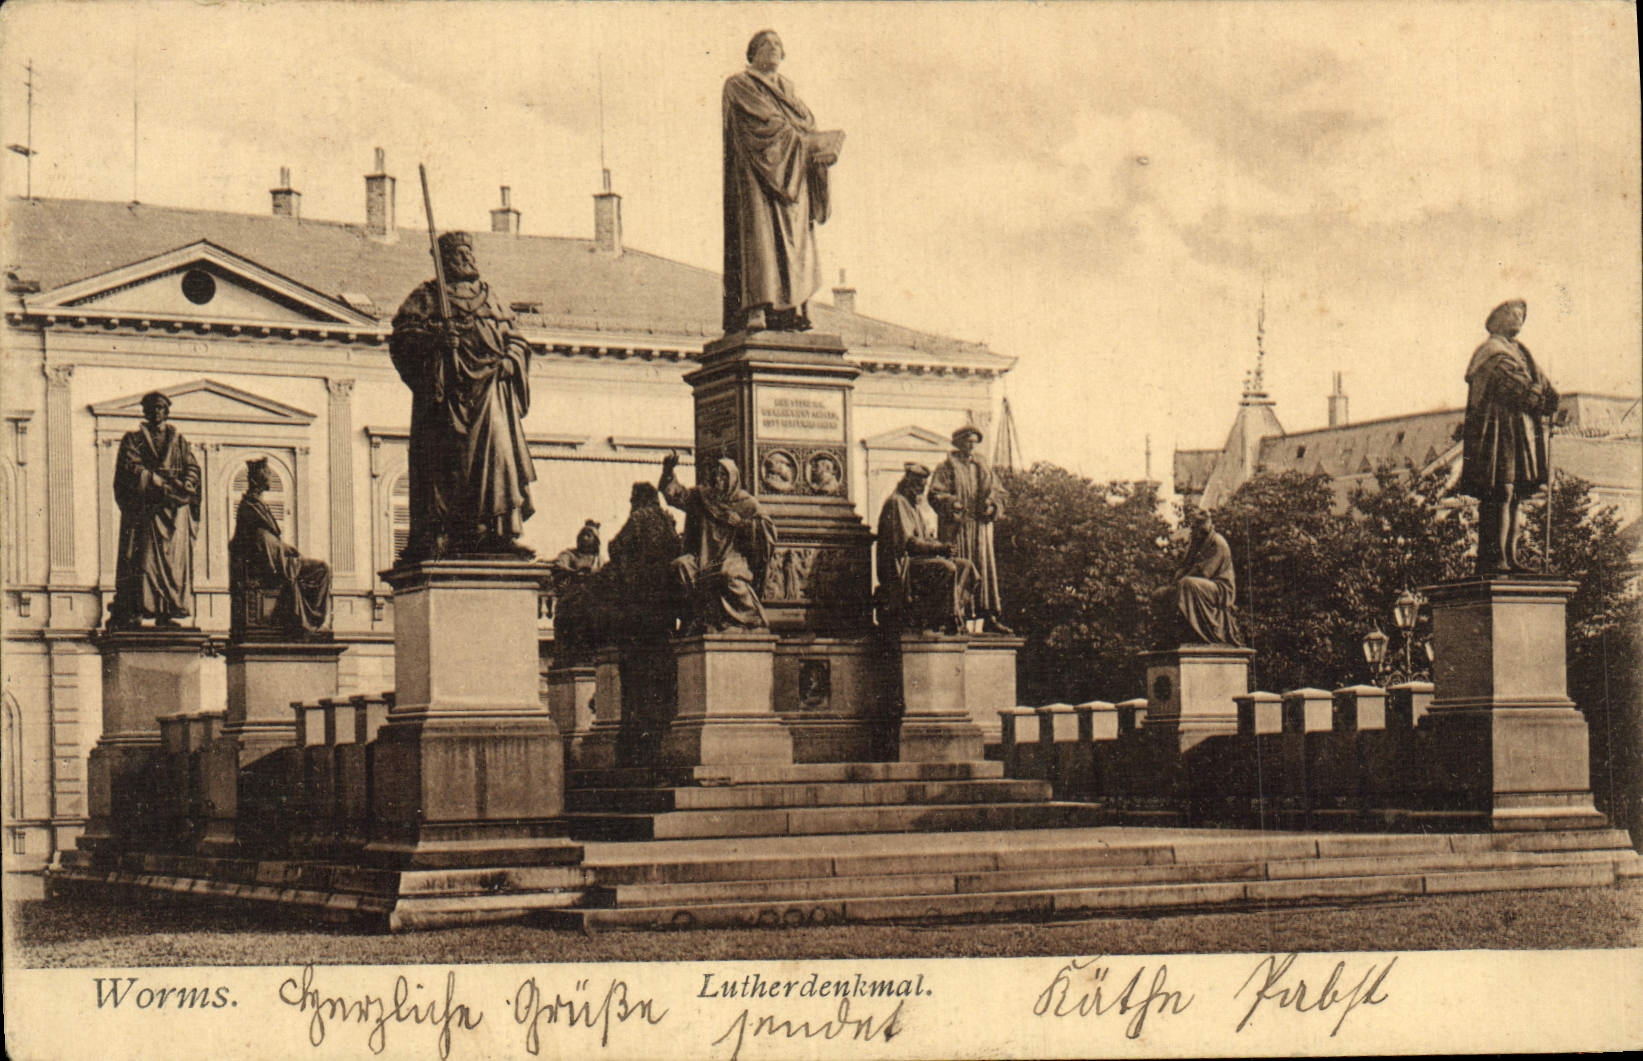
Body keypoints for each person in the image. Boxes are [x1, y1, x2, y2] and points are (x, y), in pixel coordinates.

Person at [390, 231, 536, 561]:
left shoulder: (490, 296)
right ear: (443, 261)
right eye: (458, 254)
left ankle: (497, 534)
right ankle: (441, 535)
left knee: (498, 458)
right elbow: (403, 342)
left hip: (490, 394)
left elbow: (517, 340)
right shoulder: (426, 297)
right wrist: (437, 340)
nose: (467, 258)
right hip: (447, 396)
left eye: (469, 252)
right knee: (445, 464)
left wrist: (510, 361)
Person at [722, 29, 844, 333]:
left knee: (799, 241)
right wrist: (810, 143)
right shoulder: (740, 84)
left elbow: (806, 124)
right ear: (753, 53)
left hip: (795, 178)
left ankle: (799, 310)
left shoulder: (791, 93)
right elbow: (766, 126)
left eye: (778, 45)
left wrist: (821, 147)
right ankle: (757, 309)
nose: (774, 49)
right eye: (766, 44)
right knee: (760, 240)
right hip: (758, 177)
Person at [1458, 299, 1558, 574]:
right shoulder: (1491, 352)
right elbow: (1517, 389)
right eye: (1514, 314)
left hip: (1518, 430)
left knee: (1514, 492)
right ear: (1498, 318)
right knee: (1499, 490)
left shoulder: (1522, 353)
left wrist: (1544, 394)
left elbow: (1544, 393)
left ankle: (1510, 557)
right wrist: (1537, 392)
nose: (1519, 320)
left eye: (1522, 316)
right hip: (1497, 431)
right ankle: (1493, 558)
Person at [108, 392, 201, 629]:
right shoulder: (133, 439)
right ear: (145, 411)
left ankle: (167, 613)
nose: (157, 412)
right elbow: (130, 469)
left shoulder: (180, 442)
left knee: (173, 565)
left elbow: (192, 467)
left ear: (166, 412)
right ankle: (139, 609)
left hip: (174, 511)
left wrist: (188, 482)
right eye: (152, 408)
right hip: (148, 512)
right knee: (144, 561)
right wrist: (158, 483)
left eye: (161, 408)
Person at [660, 452, 777, 633]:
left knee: (728, 573)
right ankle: (695, 618)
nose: (717, 478)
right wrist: (668, 472)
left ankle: (750, 618)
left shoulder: (746, 503)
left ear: (733, 477)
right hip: (705, 558)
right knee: (680, 566)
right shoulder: (702, 497)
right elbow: (675, 495)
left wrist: (742, 524)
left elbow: (767, 531)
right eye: (715, 473)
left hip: (733, 557)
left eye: (723, 474)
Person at [229, 458, 332, 638]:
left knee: (320, 568)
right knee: (322, 569)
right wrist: (284, 552)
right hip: (275, 565)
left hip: (279, 560)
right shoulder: (250, 506)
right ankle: (313, 621)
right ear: (259, 480)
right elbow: (251, 543)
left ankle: (313, 621)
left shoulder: (256, 506)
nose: (270, 477)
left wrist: (287, 549)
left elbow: (271, 539)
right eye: (267, 474)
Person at [928, 425, 1012, 634]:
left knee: (984, 570)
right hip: (956, 528)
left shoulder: (982, 466)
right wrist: (952, 503)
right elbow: (935, 494)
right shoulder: (946, 466)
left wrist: (992, 505)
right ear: (958, 442)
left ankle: (990, 616)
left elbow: (1000, 492)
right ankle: (958, 617)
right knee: (960, 568)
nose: (972, 445)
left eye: (975, 442)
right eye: (968, 441)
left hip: (979, 528)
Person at [876, 463, 978, 634]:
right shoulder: (897, 503)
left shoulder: (913, 506)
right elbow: (910, 543)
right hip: (903, 567)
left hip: (918, 561)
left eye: (923, 487)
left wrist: (941, 545)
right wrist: (938, 549)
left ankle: (952, 614)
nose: (921, 491)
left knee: (966, 567)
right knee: (947, 567)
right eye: (917, 486)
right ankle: (944, 617)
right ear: (907, 483)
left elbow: (926, 538)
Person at [606, 482, 684, 641]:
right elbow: (676, 546)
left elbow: (617, 546)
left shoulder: (638, 517)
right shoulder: (667, 518)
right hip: (665, 584)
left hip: (641, 584)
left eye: (633, 498)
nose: (630, 502)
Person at [1163, 508, 1244, 646]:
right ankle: (1170, 638)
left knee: (1187, 584)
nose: (1194, 532)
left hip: (1220, 588)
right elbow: (1185, 566)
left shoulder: (1217, 542)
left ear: (1204, 527)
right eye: (1193, 528)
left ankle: (1203, 634)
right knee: (1161, 594)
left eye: (1196, 528)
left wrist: (1181, 579)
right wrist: (1176, 578)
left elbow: (1204, 572)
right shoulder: (1196, 544)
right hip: (1202, 585)